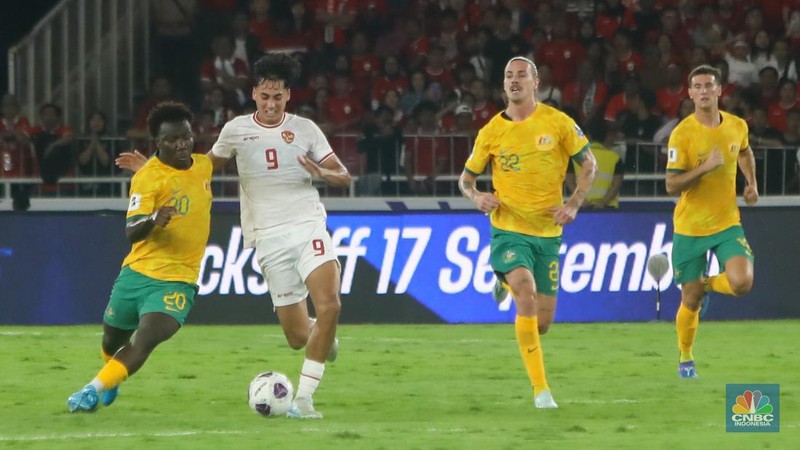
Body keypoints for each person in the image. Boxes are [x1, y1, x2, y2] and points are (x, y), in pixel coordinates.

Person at [118, 53, 350, 419]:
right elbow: (199, 173)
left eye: (278, 97)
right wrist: (151, 168)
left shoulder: (305, 130)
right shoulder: (236, 130)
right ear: (254, 94)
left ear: (288, 95)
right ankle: (324, 339)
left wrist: (321, 172)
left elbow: (344, 176)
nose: (271, 104)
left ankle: (304, 400)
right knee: (297, 336)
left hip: (308, 226)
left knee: (330, 304)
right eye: (264, 96)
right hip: (267, 238)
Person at [458, 57, 597, 409]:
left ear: (536, 81)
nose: (514, 80)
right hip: (508, 229)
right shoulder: (491, 130)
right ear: (503, 85)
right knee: (526, 294)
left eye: (521, 75)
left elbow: (589, 164)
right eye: (508, 76)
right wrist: (477, 196)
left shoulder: (559, 122)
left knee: (543, 322)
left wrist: (575, 203)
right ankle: (541, 390)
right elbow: (466, 179)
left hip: (548, 234)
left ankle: (503, 281)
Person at [67, 101, 213, 412]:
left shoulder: (204, 166)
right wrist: (153, 219)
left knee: (145, 339)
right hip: (137, 273)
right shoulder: (147, 178)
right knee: (111, 341)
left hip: (177, 280)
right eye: (172, 140)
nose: (181, 144)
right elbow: (132, 231)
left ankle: (93, 390)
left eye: (185, 136)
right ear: (158, 143)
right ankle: (111, 375)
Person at [665, 65, 758, 379]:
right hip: (690, 227)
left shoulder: (737, 126)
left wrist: (752, 183)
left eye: (709, 85)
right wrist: (704, 168)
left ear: (720, 91)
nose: (704, 91)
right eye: (697, 86)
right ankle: (686, 356)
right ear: (690, 94)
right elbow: (671, 185)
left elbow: (744, 153)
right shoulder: (682, 134)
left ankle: (708, 282)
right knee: (690, 299)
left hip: (727, 222)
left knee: (742, 283)